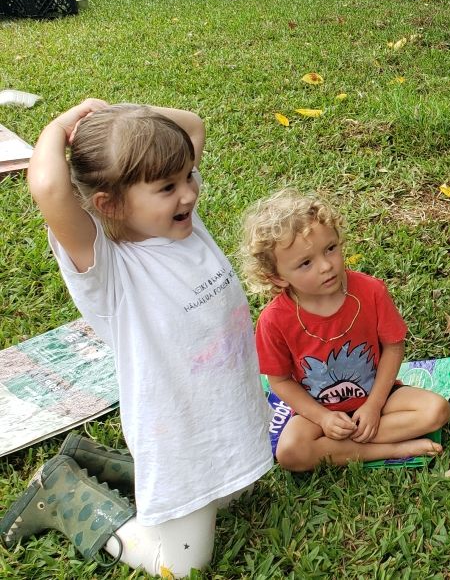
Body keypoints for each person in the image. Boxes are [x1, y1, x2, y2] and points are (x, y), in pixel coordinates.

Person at [3, 100, 274, 576]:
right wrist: (65, 124)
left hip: (225, 411)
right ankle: (64, 493)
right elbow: (48, 185)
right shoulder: (106, 264)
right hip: (176, 435)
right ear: (110, 204)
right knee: (185, 565)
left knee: (238, 493)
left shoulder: (174, 222)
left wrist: (127, 115)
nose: (188, 193)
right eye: (168, 187)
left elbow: (191, 125)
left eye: (187, 177)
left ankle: (93, 459)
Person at [240, 188, 450, 472]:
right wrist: (323, 418)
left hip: (379, 396)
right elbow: (279, 382)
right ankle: (390, 449)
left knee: (436, 411)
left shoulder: (370, 291)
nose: (326, 266)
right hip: (317, 413)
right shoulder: (273, 320)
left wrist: (374, 406)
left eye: (330, 248)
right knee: (289, 452)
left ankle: (347, 450)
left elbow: (393, 345)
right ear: (277, 277)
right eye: (306, 263)